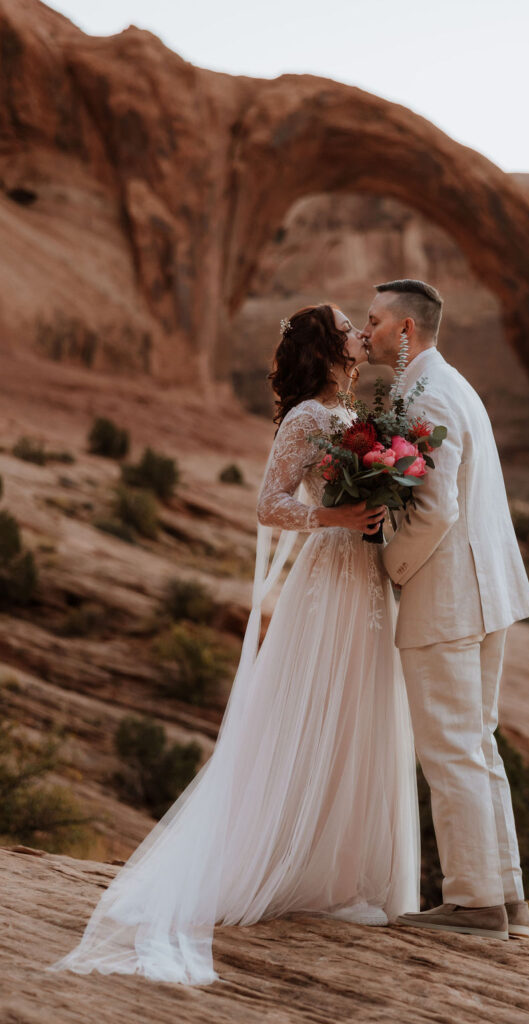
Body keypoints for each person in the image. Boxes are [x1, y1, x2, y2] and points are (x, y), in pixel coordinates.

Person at [45, 304, 420, 986]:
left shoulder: (353, 416)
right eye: (346, 326)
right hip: (326, 580)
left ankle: (343, 875)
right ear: (325, 347)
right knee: (312, 712)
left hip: (364, 579)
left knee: (357, 718)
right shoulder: (308, 417)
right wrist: (336, 514)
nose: (359, 332)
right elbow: (268, 504)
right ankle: (291, 868)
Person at [361, 279, 529, 940]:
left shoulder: (426, 396)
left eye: (374, 321)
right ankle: (505, 897)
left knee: (451, 749)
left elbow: (434, 508)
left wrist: (387, 564)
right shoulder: (454, 385)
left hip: (449, 596)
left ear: (405, 331)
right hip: (488, 590)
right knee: (477, 744)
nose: (366, 330)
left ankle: (472, 903)